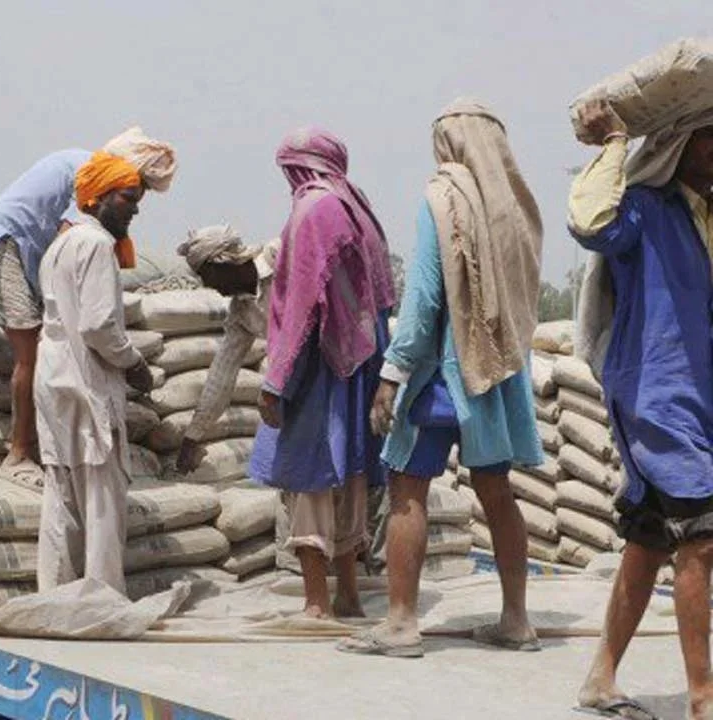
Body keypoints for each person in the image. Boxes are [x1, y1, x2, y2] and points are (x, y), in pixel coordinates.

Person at [343, 99, 545, 659]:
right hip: (498, 374)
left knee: (408, 489)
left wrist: (392, 373)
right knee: (497, 493)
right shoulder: (516, 207)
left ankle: (402, 623)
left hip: (441, 376)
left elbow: (425, 297)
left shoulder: (443, 198)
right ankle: (517, 620)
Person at [570, 99, 713, 720]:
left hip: (700, 397)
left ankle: (601, 678)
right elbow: (592, 222)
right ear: (682, 144)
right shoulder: (647, 211)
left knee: (650, 538)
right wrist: (614, 146)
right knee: (702, 540)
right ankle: (704, 698)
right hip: (656, 391)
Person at [0, 130, 175, 484]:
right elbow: (69, 242)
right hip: (0, 246)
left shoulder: (84, 165)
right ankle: (18, 454)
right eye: (133, 194)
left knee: (44, 345)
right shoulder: (89, 174)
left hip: (19, 251)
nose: (137, 206)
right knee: (31, 353)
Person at [255, 128, 396, 620]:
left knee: (310, 476)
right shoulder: (356, 204)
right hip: (362, 360)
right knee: (351, 473)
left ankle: (316, 602)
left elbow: (301, 303)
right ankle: (350, 594)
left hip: (321, 365)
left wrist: (277, 381)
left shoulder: (313, 209)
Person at [33, 152, 154, 594]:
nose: (136, 209)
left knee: (62, 494)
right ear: (98, 198)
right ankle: (102, 597)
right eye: (128, 198)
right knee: (102, 494)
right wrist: (135, 365)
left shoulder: (58, 246)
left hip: (54, 380)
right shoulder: (97, 245)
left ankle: (55, 594)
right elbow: (99, 325)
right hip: (87, 381)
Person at [173, 224, 279, 475]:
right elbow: (222, 374)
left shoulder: (280, 256)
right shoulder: (242, 312)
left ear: (222, 263)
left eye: (206, 275)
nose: (208, 285)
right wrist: (192, 436)